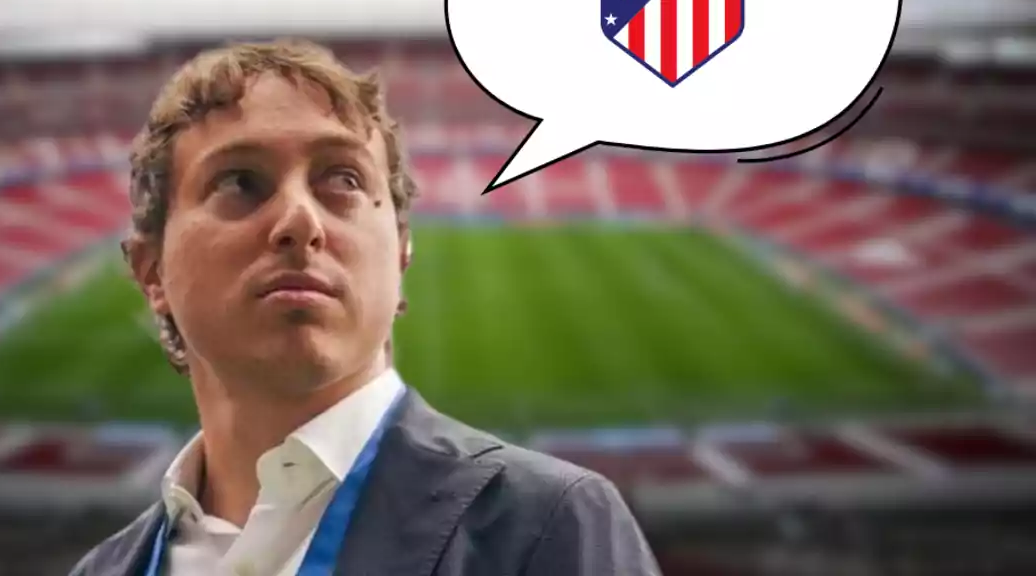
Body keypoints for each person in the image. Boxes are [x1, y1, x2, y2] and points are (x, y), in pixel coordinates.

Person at [69, 40, 661, 575]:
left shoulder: (545, 528)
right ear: (153, 273)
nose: (299, 220)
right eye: (240, 182)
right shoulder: (104, 570)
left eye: (344, 180)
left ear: (401, 254)